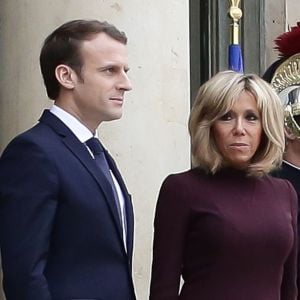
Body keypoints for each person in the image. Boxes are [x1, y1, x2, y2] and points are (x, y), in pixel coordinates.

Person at [0, 19, 136, 300]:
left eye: (125, 71)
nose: (126, 84)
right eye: (110, 70)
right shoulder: (33, 153)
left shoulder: (96, 152)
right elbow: (24, 275)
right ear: (66, 76)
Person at [149, 70, 297, 300]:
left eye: (251, 117)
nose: (240, 129)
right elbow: (163, 288)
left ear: (265, 127)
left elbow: (289, 287)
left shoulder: (284, 192)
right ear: (208, 126)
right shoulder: (181, 189)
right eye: (226, 117)